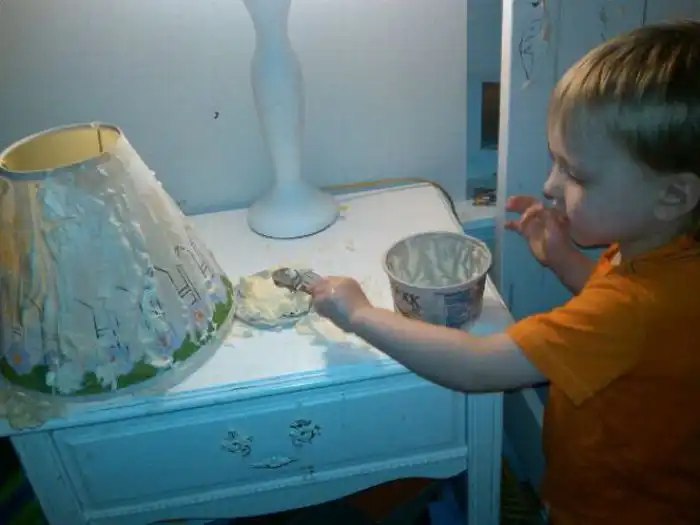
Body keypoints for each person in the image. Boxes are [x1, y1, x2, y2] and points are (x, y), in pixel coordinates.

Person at [306, 20, 700, 525]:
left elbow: (477, 366)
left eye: (576, 174)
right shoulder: (664, 253)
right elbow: (619, 317)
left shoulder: (631, 310)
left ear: (673, 195)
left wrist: (359, 314)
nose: (550, 185)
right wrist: (562, 258)